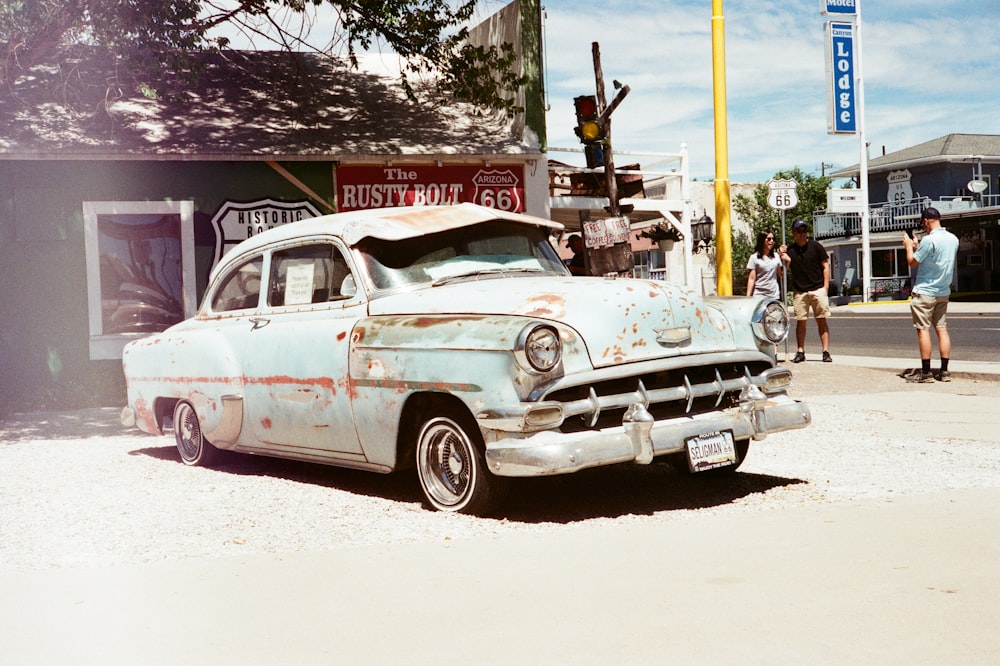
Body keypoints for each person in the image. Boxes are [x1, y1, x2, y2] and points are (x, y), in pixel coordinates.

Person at [902, 207, 959, 383]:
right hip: (943, 290)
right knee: (941, 329)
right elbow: (937, 258)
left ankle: (926, 372)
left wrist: (908, 248)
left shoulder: (929, 240)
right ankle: (944, 371)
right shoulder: (953, 239)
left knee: (923, 330)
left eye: (923, 223)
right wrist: (918, 246)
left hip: (926, 291)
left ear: (926, 220)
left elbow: (912, 263)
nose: (923, 226)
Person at [779, 220, 831, 363]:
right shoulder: (790, 251)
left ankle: (825, 351)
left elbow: (825, 266)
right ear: (793, 233)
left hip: (818, 289)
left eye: (804, 231)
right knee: (801, 322)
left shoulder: (816, 246)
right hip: (800, 292)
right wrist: (781, 255)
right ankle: (800, 351)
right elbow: (781, 273)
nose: (802, 234)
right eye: (799, 231)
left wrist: (825, 287)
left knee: (821, 320)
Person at [746, 230, 783, 299]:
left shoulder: (776, 256)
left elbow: (781, 274)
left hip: (774, 295)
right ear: (762, 240)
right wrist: (748, 297)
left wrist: (787, 261)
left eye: (773, 239)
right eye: (769, 239)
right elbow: (751, 279)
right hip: (759, 295)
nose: (771, 241)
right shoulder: (754, 257)